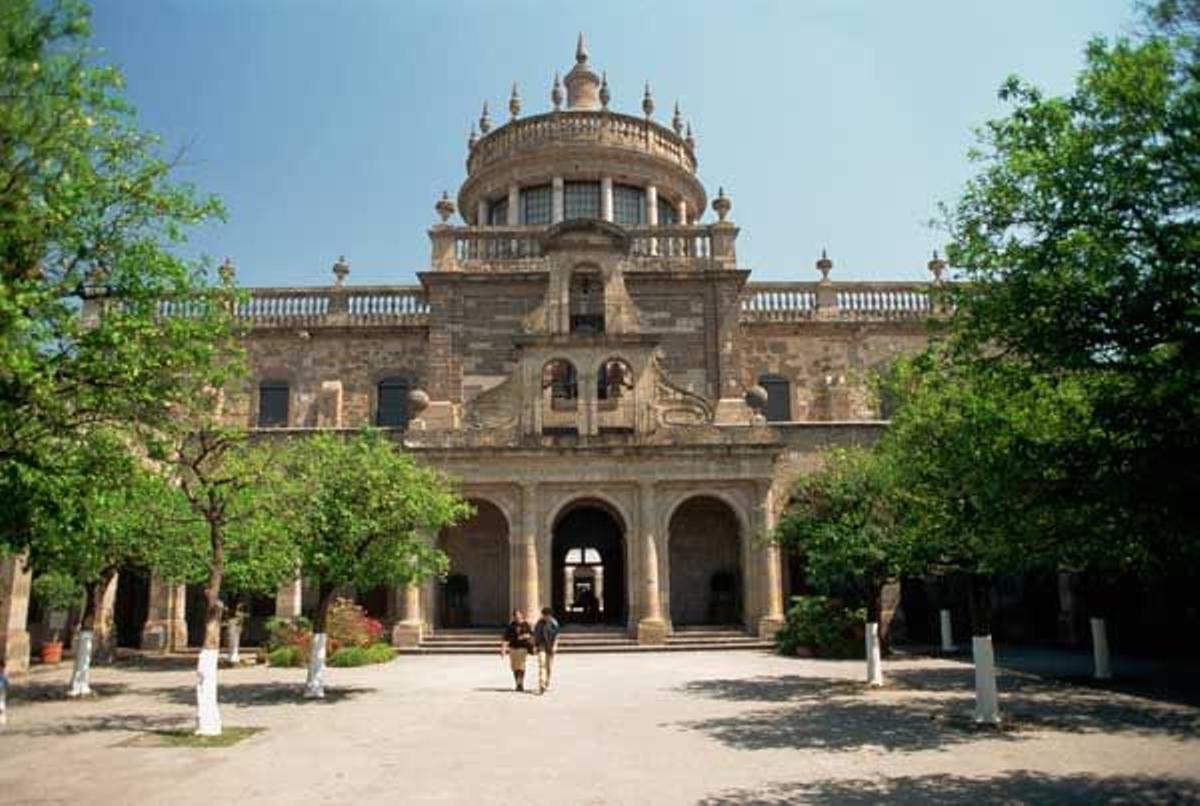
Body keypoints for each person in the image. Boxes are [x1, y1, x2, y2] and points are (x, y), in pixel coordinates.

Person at [500, 609, 534, 691]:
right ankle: (517, 683)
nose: (517, 617)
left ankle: (521, 683)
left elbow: (531, 635)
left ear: (521, 615)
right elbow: (505, 638)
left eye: (519, 616)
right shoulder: (511, 626)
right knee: (514, 667)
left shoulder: (526, 624)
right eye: (516, 616)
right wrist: (503, 649)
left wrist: (526, 636)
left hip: (523, 647)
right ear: (514, 617)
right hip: (513, 648)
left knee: (521, 665)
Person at [533, 606, 560, 695]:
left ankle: (547, 682)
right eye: (544, 615)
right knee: (542, 664)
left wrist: (555, 646)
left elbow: (556, 636)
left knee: (549, 667)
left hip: (550, 647)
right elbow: (536, 635)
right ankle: (542, 684)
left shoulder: (554, 623)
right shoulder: (539, 623)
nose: (545, 617)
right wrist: (535, 646)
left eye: (547, 615)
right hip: (542, 646)